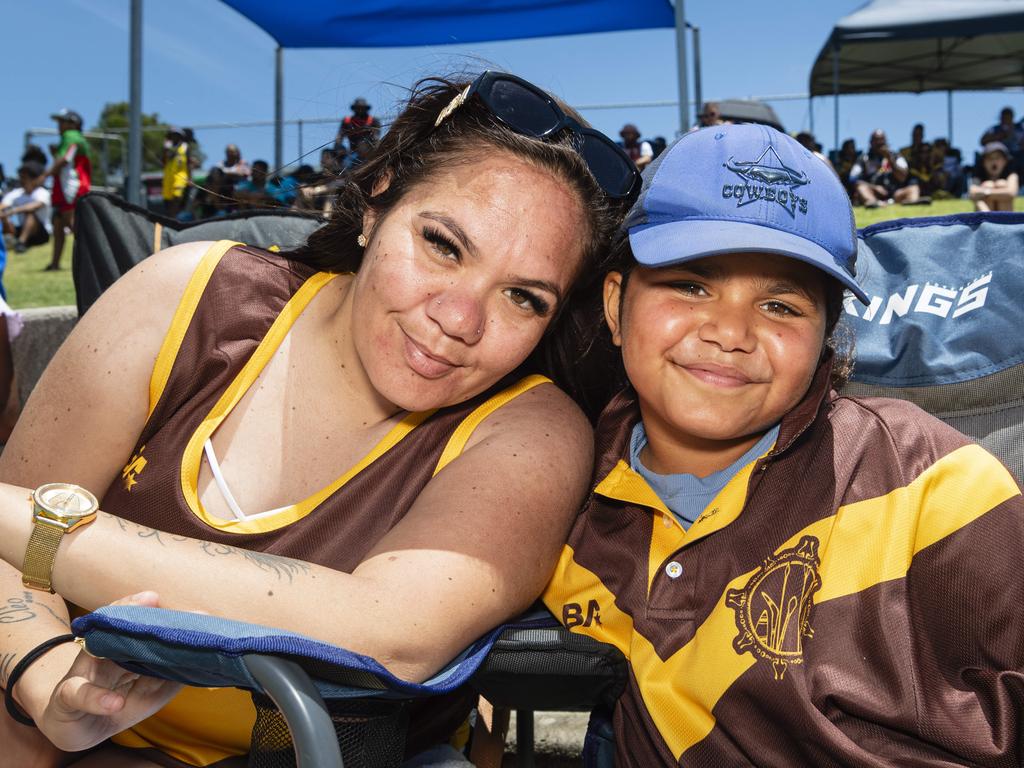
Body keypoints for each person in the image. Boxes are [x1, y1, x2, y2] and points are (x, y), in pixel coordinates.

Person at [0, 70, 638, 767]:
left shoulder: (530, 432)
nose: (458, 320)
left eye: (523, 298)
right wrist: (42, 675)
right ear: (375, 204)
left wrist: (44, 527)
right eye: (443, 246)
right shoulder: (182, 299)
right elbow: (7, 569)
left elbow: (388, 630)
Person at [543, 124, 1024, 766]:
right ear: (615, 302)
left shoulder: (936, 481)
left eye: (781, 306)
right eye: (690, 285)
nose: (731, 331)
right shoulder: (557, 491)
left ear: (828, 334)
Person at [44, 108, 92, 271]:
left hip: (72, 187)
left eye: (62, 121)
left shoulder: (71, 136)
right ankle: (55, 263)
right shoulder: (72, 138)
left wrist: (43, 176)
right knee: (58, 223)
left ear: (73, 124)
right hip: (64, 186)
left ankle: (89, 262)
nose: (59, 125)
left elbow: (65, 160)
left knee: (72, 224)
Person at [849, 129, 919, 207]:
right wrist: (874, 187)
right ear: (871, 142)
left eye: (881, 139)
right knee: (861, 188)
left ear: (886, 141)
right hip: (874, 194)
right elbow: (853, 179)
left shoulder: (896, 156)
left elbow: (903, 176)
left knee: (914, 187)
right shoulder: (863, 159)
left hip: (895, 194)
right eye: (876, 140)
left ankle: (911, 202)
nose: (879, 142)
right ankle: (874, 204)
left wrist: (890, 159)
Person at [0, 162, 52, 255]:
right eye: (20, 177)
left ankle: (21, 243)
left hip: (41, 233)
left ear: (33, 179)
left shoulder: (42, 192)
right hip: (22, 229)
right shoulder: (16, 193)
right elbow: (3, 205)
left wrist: (13, 211)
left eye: (24, 177)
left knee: (30, 214)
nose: (21, 180)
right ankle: (9, 241)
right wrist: (3, 214)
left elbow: (35, 206)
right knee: (3, 217)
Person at [969, 140, 1019, 212]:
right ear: (983, 162)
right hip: (985, 215)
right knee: (988, 184)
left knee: (1001, 183)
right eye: (990, 158)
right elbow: (972, 192)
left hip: (1006, 217)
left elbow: (1011, 192)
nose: (994, 161)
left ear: (1005, 161)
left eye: (997, 158)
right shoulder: (978, 174)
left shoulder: (1011, 174)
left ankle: (1003, 221)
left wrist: (986, 193)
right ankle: (987, 219)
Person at [336, 97, 380, 162]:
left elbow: (376, 137)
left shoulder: (373, 121)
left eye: (362, 108)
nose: (360, 110)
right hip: (352, 154)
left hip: (369, 153)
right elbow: (339, 137)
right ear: (354, 109)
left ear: (366, 109)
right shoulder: (347, 121)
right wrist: (339, 147)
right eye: (358, 108)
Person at [161, 127, 191, 219]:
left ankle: (174, 217)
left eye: (177, 135)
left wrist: (190, 178)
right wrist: (165, 150)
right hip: (168, 177)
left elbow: (189, 163)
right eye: (173, 135)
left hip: (181, 176)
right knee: (168, 200)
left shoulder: (185, 147)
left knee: (177, 196)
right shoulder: (168, 147)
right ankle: (170, 217)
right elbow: (163, 162)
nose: (175, 137)